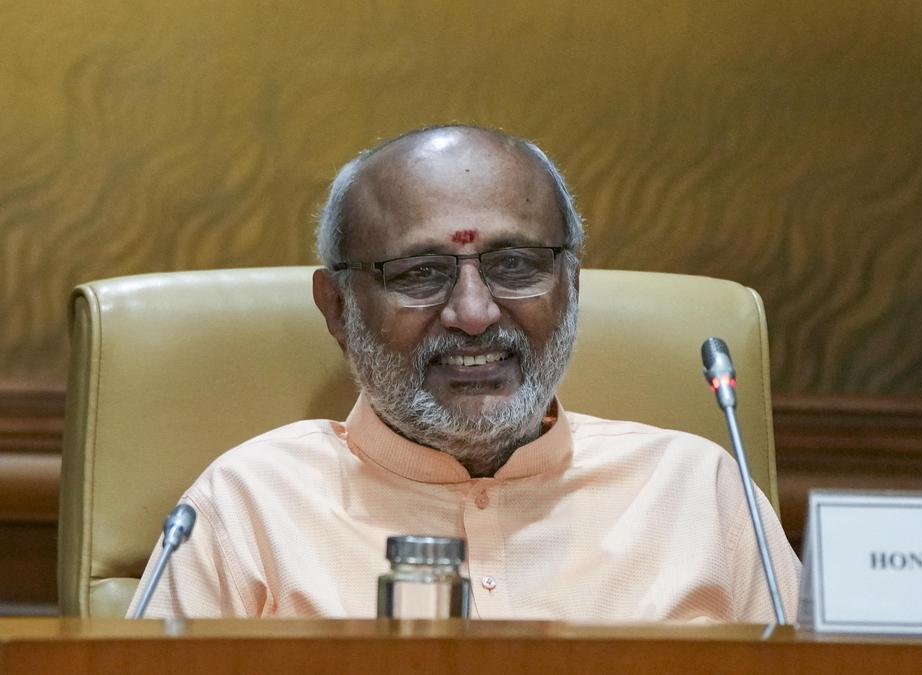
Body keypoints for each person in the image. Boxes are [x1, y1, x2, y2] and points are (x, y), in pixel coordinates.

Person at [130, 125, 801, 621]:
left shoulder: (703, 495)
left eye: (515, 264)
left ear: (571, 283)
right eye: (421, 274)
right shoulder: (244, 510)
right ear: (337, 308)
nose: (475, 313)